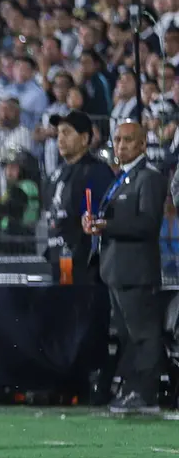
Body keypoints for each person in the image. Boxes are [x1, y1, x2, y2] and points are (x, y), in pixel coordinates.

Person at [83, 122, 167, 414]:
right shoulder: (123, 178)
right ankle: (132, 390)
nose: (120, 146)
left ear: (143, 144)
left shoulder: (150, 177)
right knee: (128, 336)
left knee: (143, 334)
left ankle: (146, 394)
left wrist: (107, 225)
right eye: (117, 140)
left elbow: (148, 223)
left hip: (136, 270)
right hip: (116, 270)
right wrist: (94, 222)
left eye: (128, 140)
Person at [44, 111, 115, 284]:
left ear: (84, 139)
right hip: (58, 259)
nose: (60, 138)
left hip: (85, 265)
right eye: (58, 133)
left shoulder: (97, 171)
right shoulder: (56, 174)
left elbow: (102, 216)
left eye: (67, 132)